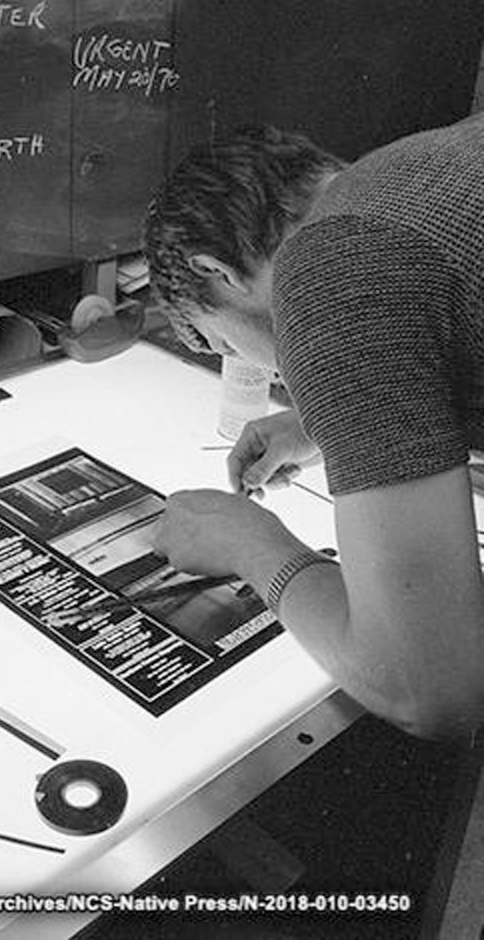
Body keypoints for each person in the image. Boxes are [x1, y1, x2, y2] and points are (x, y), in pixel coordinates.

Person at [143, 118, 484, 742]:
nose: (255, 367)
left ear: (216, 271)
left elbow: (431, 691)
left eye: (222, 342)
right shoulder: (404, 176)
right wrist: (327, 421)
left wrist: (252, 546)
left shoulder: (331, 273)